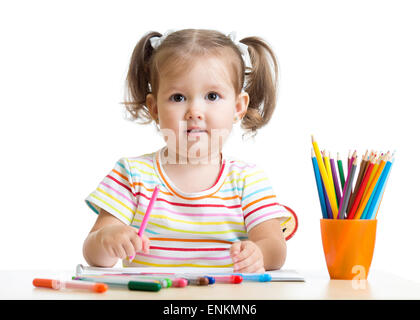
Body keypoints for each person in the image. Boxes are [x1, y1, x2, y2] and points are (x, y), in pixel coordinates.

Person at [83, 29, 296, 273]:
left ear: (238, 107)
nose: (194, 111)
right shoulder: (132, 175)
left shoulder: (248, 180)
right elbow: (93, 253)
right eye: (177, 97)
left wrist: (259, 254)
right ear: (154, 108)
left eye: (212, 96)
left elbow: (275, 248)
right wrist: (106, 240)